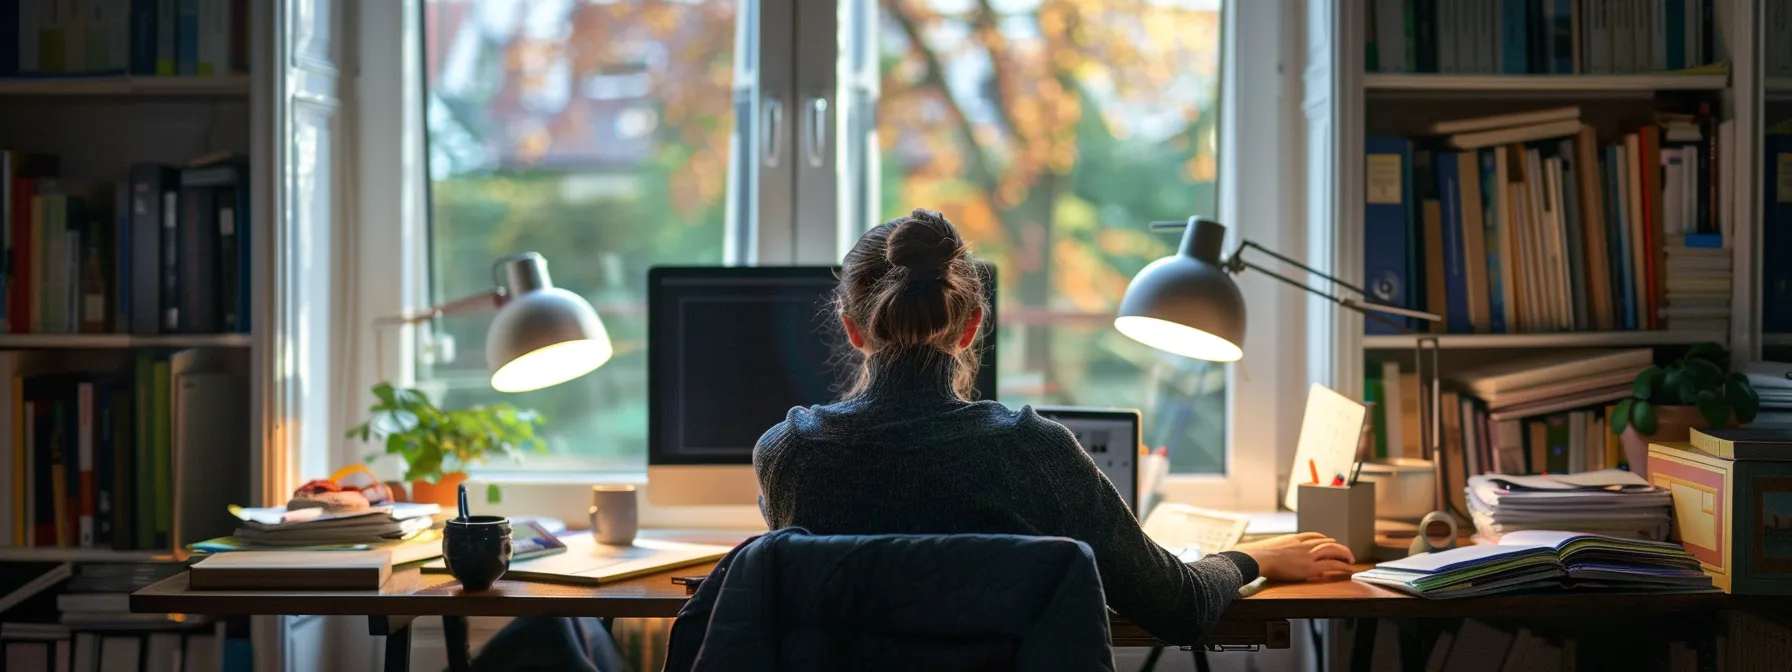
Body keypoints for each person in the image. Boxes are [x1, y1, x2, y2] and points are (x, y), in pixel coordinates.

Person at [752, 208, 1355, 644]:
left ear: (854, 329)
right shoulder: (1034, 452)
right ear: (971, 328)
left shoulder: (788, 456)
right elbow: (1179, 607)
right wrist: (1253, 559)